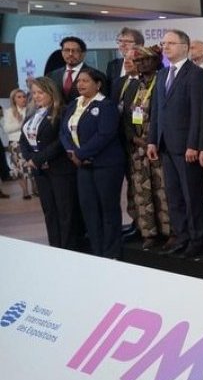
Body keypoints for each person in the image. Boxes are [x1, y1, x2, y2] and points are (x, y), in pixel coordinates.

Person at [147, 29, 203, 259]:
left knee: (191, 196)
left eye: (171, 43)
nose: (165, 47)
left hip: (186, 147)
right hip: (165, 145)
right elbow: (156, 111)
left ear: (185, 46)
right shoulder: (162, 74)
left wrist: (193, 144)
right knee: (174, 195)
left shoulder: (196, 74)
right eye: (164, 43)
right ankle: (181, 236)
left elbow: (198, 113)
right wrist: (152, 140)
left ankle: (196, 239)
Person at [61, 68, 125, 258]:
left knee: (108, 209)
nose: (80, 84)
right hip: (83, 166)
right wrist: (72, 151)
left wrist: (81, 153)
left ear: (98, 84)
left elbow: (105, 134)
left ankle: (111, 252)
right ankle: (97, 252)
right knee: (89, 209)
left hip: (106, 166)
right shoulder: (74, 104)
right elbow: (64, 131)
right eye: (78, 81)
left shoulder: (106, 105)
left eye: (85, 81)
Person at [20, 78, 79, 249]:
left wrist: (38, 159)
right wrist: (29, 158)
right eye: (34, 93)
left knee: (65, 212)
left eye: (41, 92)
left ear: (51, 92)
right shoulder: (32, 113)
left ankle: (68, 249)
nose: (36, 96)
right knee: (49, 211)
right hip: (40, 171)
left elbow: (61, 141)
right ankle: (55, 247)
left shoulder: (62, 111)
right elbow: (23, 140)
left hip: (60, 169)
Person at [123, 46, 173, 250]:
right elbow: (126, 118)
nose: (141, 63)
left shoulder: (163, 81)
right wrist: (134, 139)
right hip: (138, 149)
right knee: (142, 192)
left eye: (146, 59)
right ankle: (149, 233)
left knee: (163, 191)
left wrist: (153, 139)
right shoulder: (134, 86)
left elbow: (168, 115)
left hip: (160, 147)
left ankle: (171, 232)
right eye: (138, 60)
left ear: (157, 60)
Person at [50, 37, 107, 103]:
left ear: (83, 53)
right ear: (62, 52)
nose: (70, 54)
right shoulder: (52, 75)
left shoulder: (97, 75)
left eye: (75, 51)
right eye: (67, 50)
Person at [3, 89, 31, 199]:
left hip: (30, 141)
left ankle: (35, 189)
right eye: (19, 97)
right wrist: (21, 124)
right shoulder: (9, 112)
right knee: (20, 168)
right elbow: (7, 129)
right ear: (13, 99)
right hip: (16, 142)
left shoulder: (30, 110)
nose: (22, 99)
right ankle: (25, 191)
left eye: (24, 96)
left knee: (31, 165)